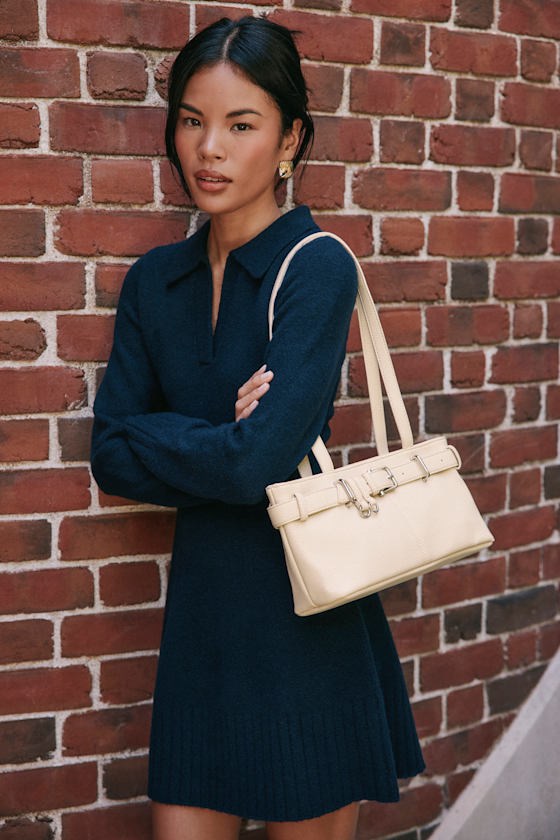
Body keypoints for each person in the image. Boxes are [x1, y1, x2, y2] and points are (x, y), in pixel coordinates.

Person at [90, 16, 425, 840]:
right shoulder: (153, 284)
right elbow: (110, 457)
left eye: (242, 125)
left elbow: (255, 467)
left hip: (308, 634)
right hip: (203, 633)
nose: (210, 149)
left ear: (289, 139)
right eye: (193, 120)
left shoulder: (317, 268)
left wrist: (159, 432)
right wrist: (219, 437)